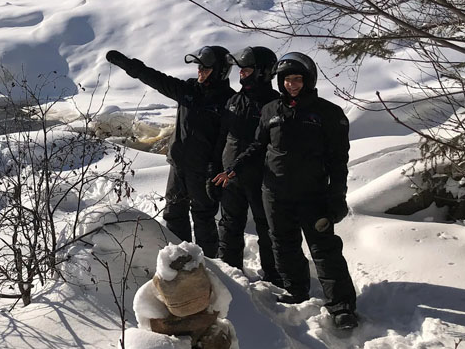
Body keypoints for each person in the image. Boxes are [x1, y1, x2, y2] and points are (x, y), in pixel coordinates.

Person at [213, 52, 358, 329]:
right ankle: (297, 291)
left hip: (313, 194)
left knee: (323, 249)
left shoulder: (328, 113)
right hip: (275, 192)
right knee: (283, 244)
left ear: (309, 80)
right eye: (287, 79)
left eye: (297, 79)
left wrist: (337, 195)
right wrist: (235, 166)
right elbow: (258, 146)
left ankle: (342, 306)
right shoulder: (270, 111)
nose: (292, 84)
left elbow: (339, 161)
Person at [106, 46, 235, 258]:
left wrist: (217, 167)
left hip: (204, 171)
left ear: (220, 70)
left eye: (205, 67)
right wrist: (128, 64)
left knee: (203, 218)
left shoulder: (229, 101)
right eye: (199, 67)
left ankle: (211, 267)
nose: (200, 71)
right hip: (179, 165)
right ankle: (179, 263)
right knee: (174, 214)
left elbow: (229, 140)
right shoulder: (189, 90)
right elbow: (155, 78)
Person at [212, 46, 281, 285]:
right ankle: (230, 275)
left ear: (262, 72)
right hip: (230, 176)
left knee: (267, 229)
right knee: (229, 225)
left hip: (262, 177)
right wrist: (214, 171)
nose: (242, 74)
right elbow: (222, 136)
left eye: (247, 70)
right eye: (240, 70)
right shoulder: (234, 99)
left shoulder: (275, 104)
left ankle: (274, 278)